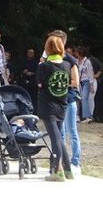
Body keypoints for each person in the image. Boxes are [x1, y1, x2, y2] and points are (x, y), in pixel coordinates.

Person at [36, 34, 77, 182]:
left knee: (55, 139)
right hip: (62, 104)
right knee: (58, 137)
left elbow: (39, 84)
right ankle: (68, 169)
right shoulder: (66, 65)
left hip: (48, 105)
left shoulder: (43, 66)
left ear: (47, 49)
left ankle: (57, 171)